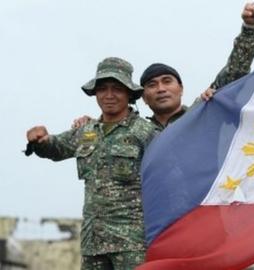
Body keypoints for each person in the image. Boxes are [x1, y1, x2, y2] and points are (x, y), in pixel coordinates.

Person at [26, 57, 157, 269]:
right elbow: (56, 147)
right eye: (103, 89)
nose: (109, 95)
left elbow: (168, 177)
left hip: (132, 243)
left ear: (129, 94)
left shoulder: (146, 133)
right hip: (93, 242)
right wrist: (40, 141)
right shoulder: (86, 131)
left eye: (117, 88)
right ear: (95, 93)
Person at [73, 2, 254, 130]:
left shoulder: (202, 112)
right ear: (144, 98)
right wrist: (93, 125)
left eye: (167, 81)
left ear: (181, 89)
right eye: (152, 85)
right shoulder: (138, 132)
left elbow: (236, 71)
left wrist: (249, 29)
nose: (161, 89)